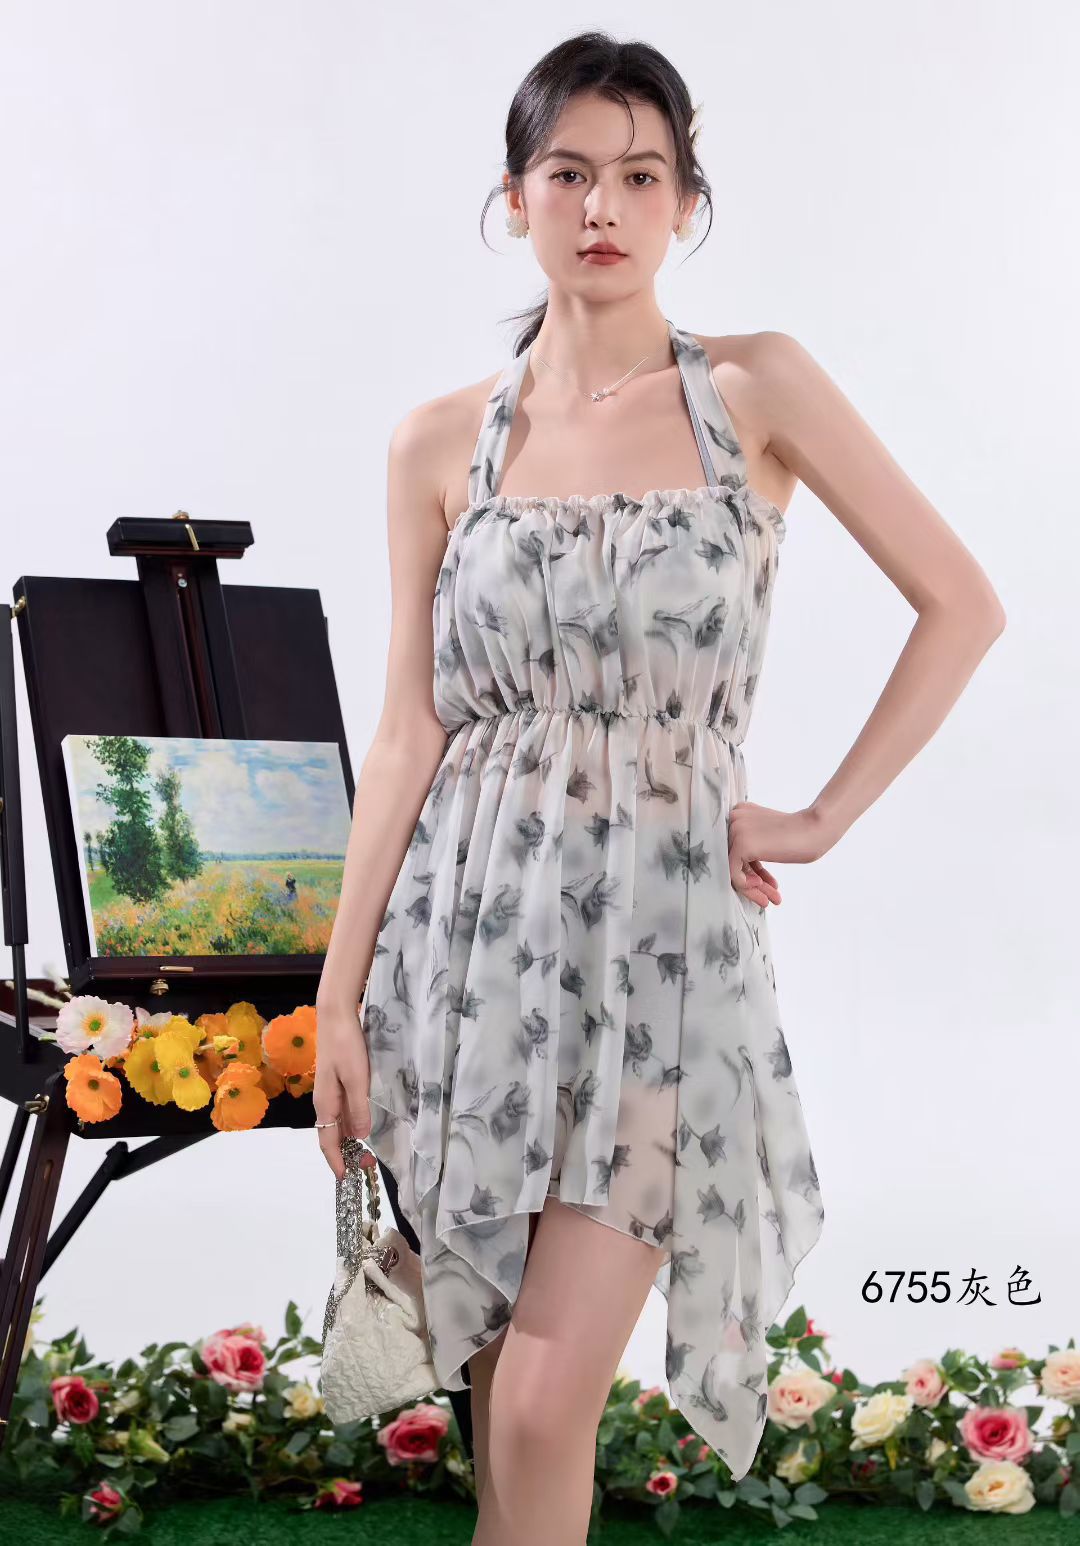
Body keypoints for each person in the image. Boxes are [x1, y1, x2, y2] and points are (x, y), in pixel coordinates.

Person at [313, 30, 1005, 1546]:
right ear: (514, 195)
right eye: (569, 172)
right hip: (466, 953)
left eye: (641, 175)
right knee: (498, 1404)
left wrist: (819, 817)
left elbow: (963, 603)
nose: (603, 206)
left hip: (662, 952)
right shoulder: (439, 442)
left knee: (544, 1400)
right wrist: (338, 994)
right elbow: (410, 731)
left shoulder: (754, 389)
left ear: (688, 200)